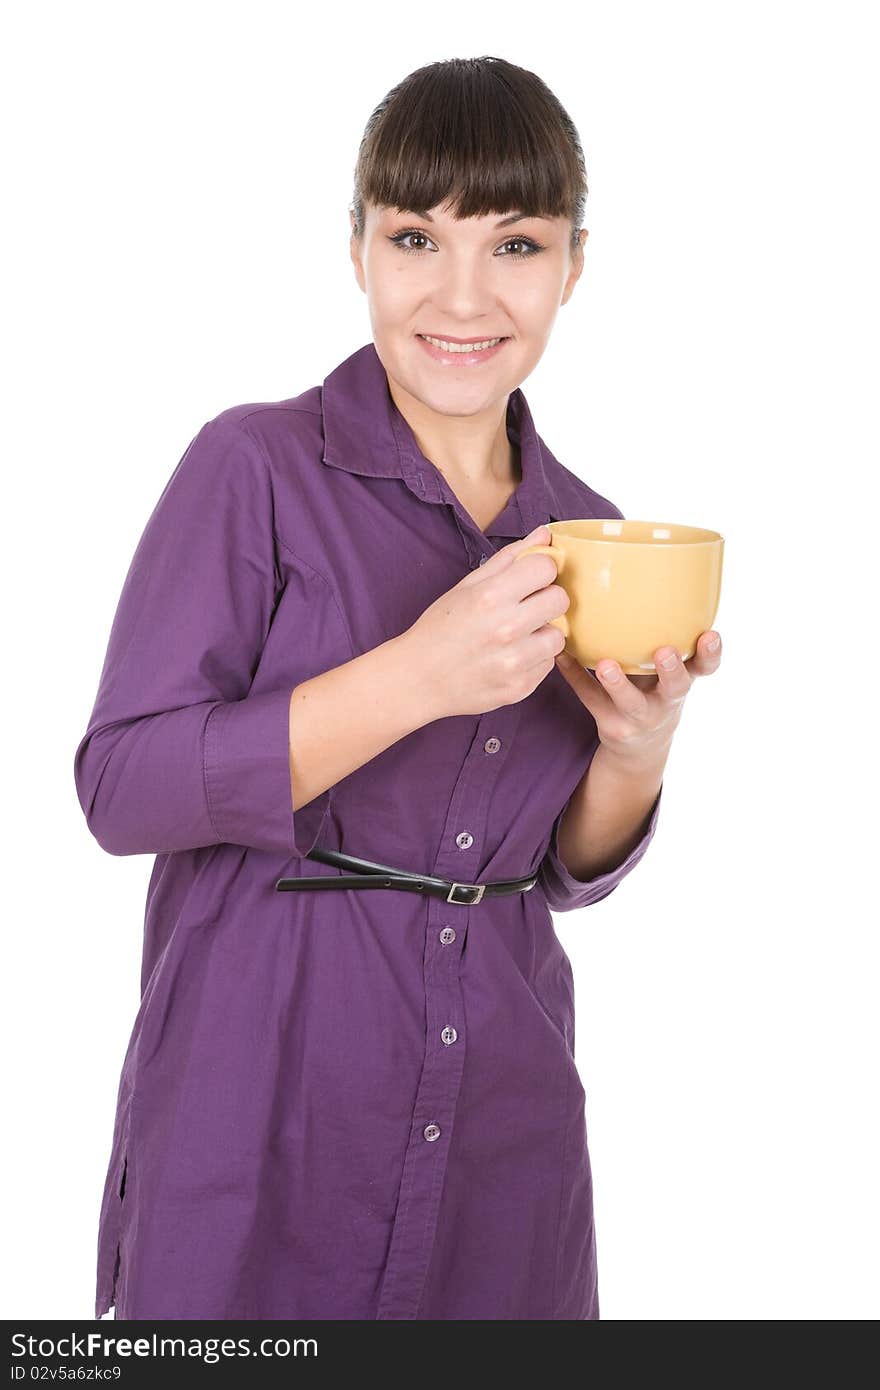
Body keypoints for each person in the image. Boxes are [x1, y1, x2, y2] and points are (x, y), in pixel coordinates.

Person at [74, 55, 721, 1321]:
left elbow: (548, 871)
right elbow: (121, 787)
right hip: (259, 1097)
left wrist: (635, 756)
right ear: (358, 250)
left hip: (505, 1124)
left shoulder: (586, 532)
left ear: (574, 266)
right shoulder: (254, 464)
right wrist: (416, 675)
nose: (463, 295)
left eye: (517, 243)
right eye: (416, 235)